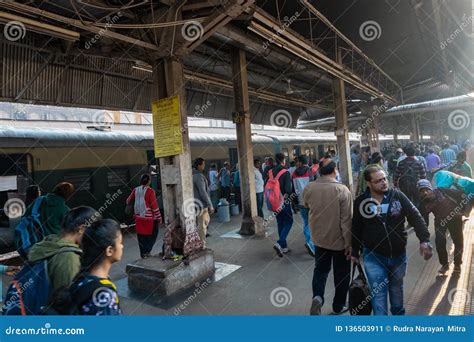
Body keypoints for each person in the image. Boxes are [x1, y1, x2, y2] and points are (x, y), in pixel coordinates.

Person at [352, 167, 432, 315]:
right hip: (373, 256)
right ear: (369, 183)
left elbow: (415, 216)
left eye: (384, 179)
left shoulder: (398, 196)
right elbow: (356, 227)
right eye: (378, 181)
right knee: (379, 295)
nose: (383, 183)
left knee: (396, 291)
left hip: (398, 256)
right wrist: (354, 251)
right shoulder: (361, 202)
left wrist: (424, 240)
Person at [304, 159, 352, 315]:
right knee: (342, 273)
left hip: (319, 239)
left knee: (321, 270)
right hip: (339, 242)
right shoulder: (342, 190)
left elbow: (306, 206)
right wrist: (349, 244)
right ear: (334, 171)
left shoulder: (309, 188)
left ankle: (317, 297)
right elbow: (346, 221)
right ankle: (338, 306)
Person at [27, 206, 100, 294]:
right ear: (82, 229)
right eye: (94, 232)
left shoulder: (48, 242)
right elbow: (68, 297)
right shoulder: (69, 258)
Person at [67, 219, 123, 315]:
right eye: (120, 243)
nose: (122, 246)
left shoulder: (81, 278)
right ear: (109, 250)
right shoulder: (104, 296)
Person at [418, 180, 466, 275]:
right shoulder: (423, 203)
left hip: (455, 218)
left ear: (431, 188)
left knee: (458, 241)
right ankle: (444, 265)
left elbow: (460, 195)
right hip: (441, 222)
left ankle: (457, 264)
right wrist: (424, 239)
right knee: (439, 242)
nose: (425, 193)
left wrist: (462, 210)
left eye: (427, 190)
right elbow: (422, 220)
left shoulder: (442, 191)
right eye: (422, 191)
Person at [126, 174, 162, 259]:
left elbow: (128, 201)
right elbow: (154, 206)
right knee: (153, 234)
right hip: (149, 219)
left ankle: (143, 255)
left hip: (138, 218)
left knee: (141, 236)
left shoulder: (135, 190)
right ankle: (147, 252)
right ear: (149, 181)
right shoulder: (150, 191)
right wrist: (159, 217)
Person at [292, 155, 316, 256]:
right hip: (313, 202)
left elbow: (293, 190)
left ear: (300, 162)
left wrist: (295, 203)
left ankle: (309, 242)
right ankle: (312, 244)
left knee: (306, 223)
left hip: (301, 202)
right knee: (315, 223)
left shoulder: (293, 174)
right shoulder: (312, 171)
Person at [271, 153, 293, 257]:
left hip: (274, 202)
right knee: (289, 221)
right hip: (284, 201)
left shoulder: (270, 172)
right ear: (283, 160)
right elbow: (288, 190)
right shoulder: (285, 172)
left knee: (280, 222)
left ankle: (284, 247)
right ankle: (279, 243)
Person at [192, 158, 214, 248]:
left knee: (199, 225)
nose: (204, 166)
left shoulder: (191, 174)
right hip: (201, 205)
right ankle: (202, 246)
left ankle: (198, 243)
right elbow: (203, 192)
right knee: (202, 226)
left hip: (194, 204)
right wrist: (210, 205)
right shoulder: (199, 176)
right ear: (199, 165)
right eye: (203, 164)